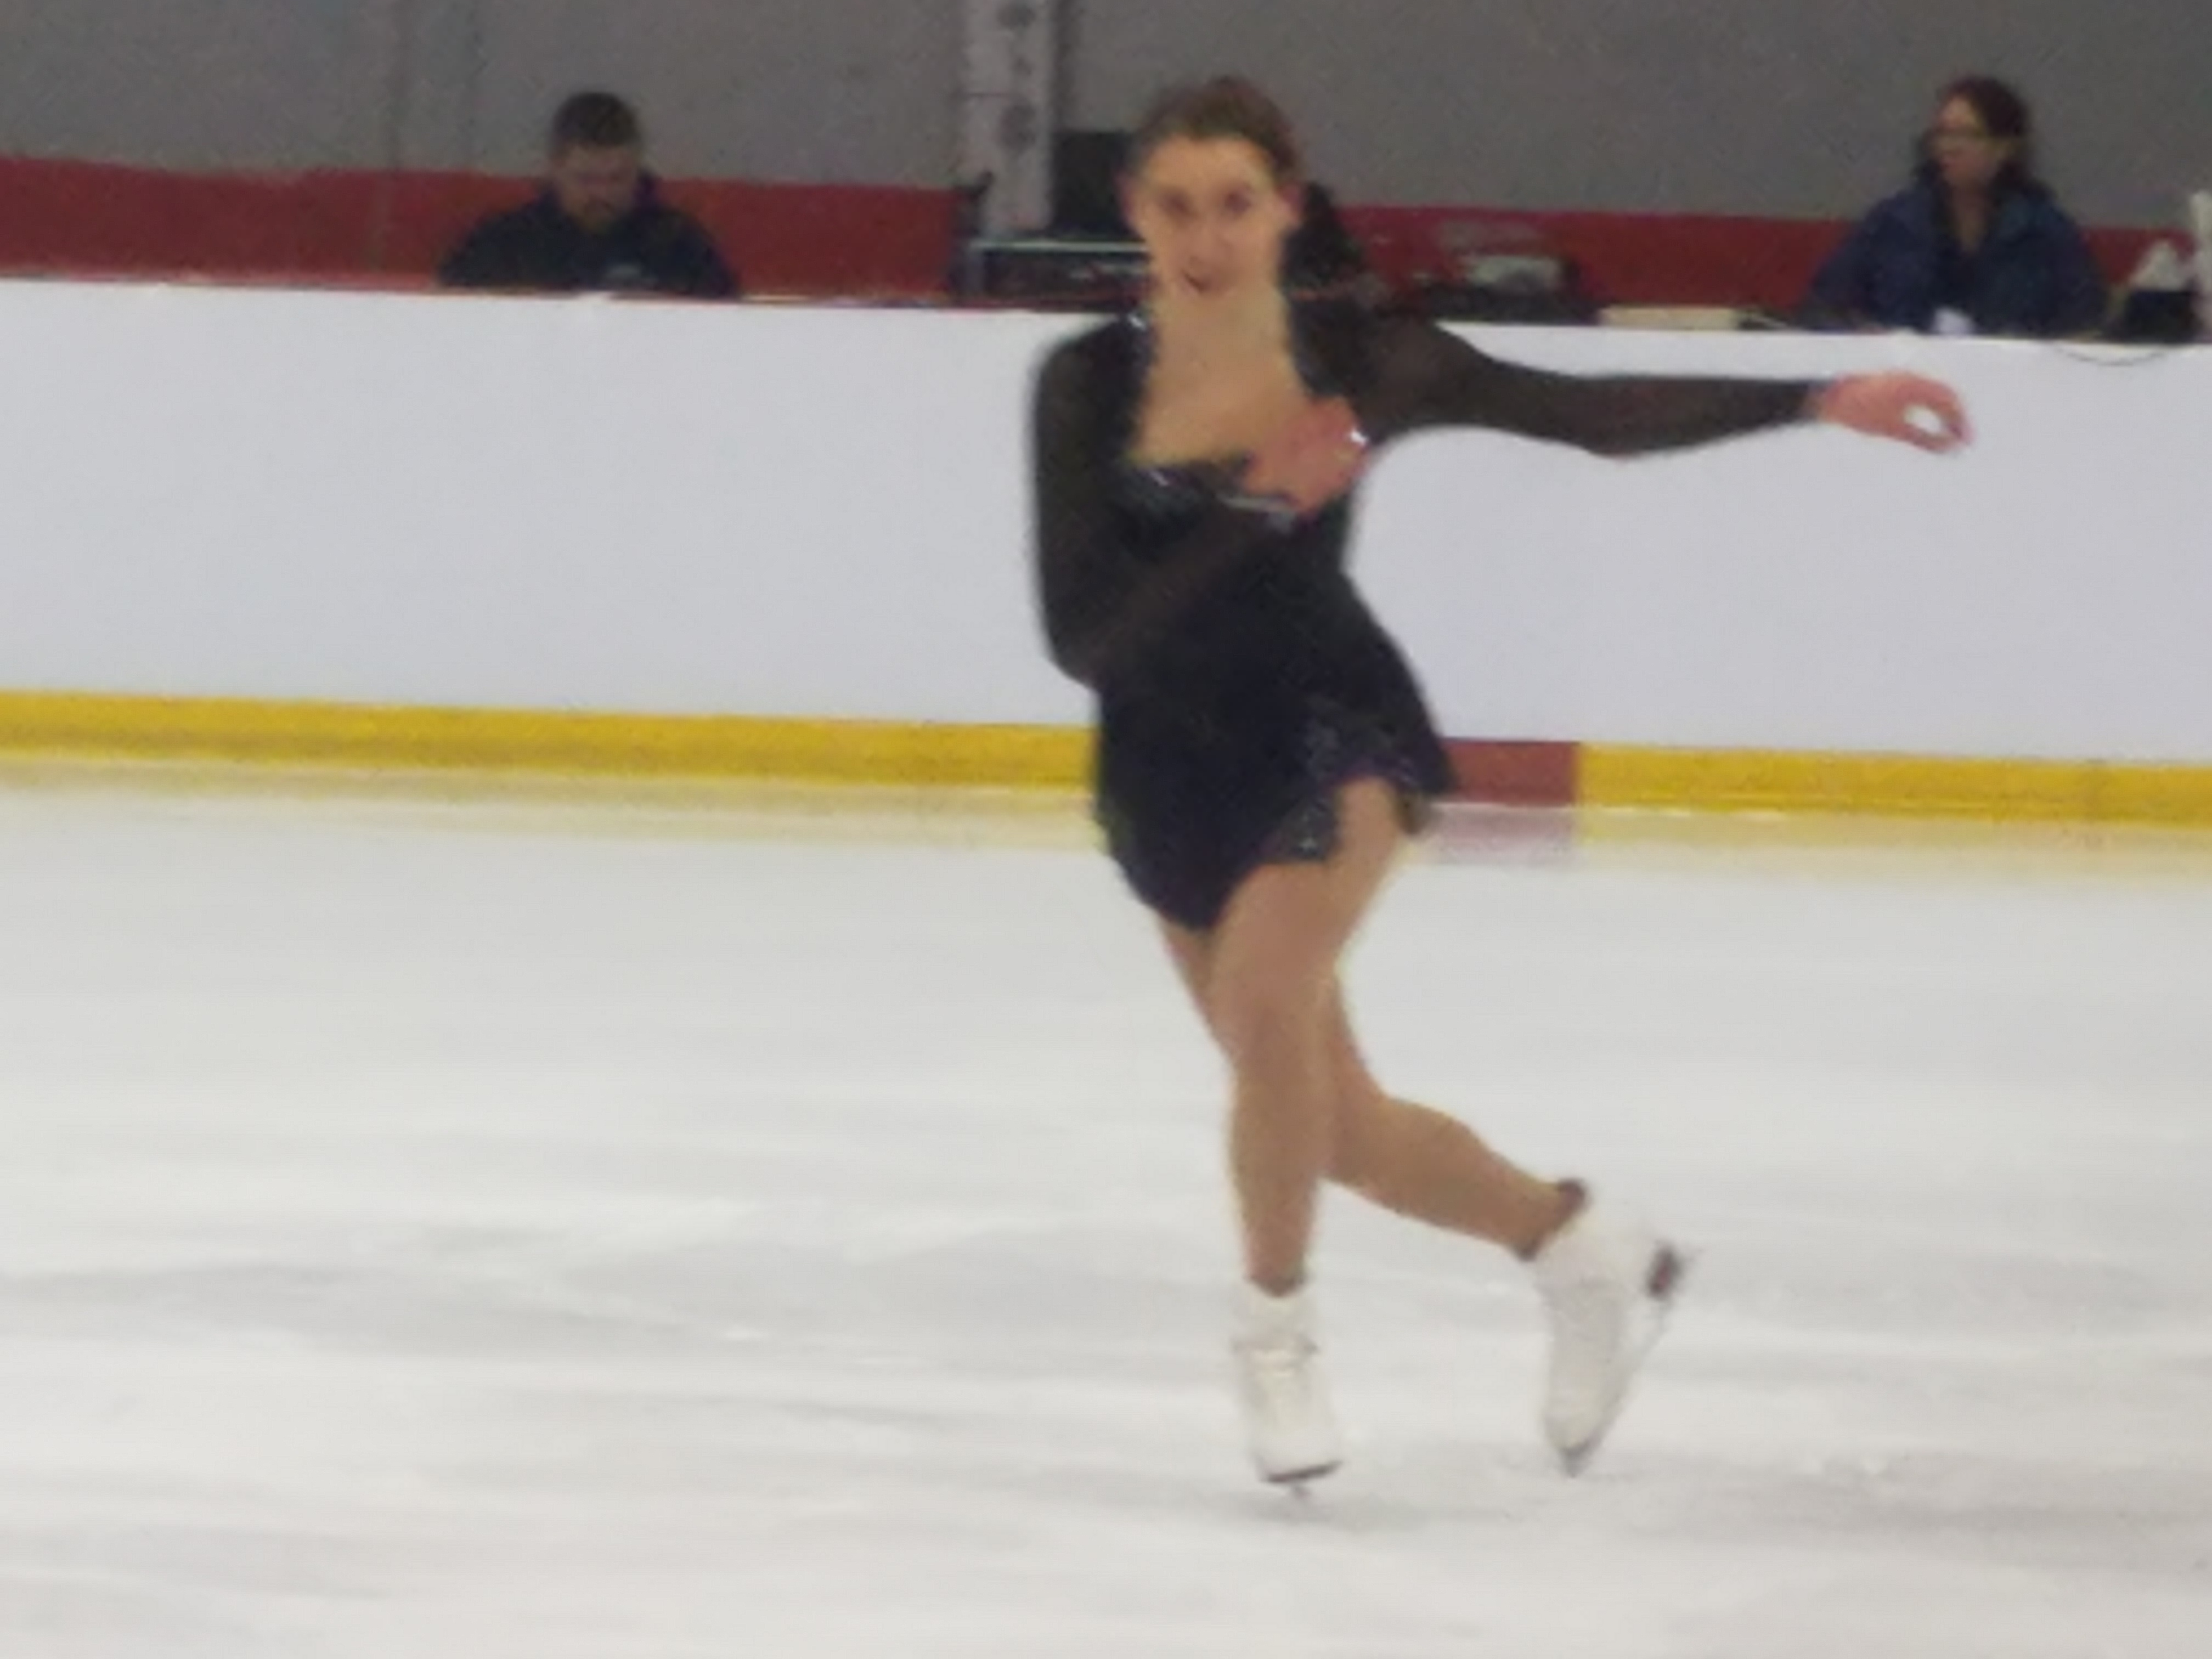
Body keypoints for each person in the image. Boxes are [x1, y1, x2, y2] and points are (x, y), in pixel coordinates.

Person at [1028, 76, 1970, 1489]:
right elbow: (1085, 639)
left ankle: (1274, 1338)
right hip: (1164, 769)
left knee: (1270, 1007)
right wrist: (1260, 504)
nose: (1206, 238)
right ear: (1134, 213)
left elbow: (1590, 411)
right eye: (1176, 207)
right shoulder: (1086, 384)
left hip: (1330, 728)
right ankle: (1582, 1249)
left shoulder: (1364, 359)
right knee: (1336, 1132)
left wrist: (1822, 396)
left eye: (1235, 204)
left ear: (1287, 208)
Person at [1802, 77, 2105, 338]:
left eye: (1967, 135)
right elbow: (1824, 306)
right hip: (1905, 377)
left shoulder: (2047, 233)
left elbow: (2085, 324)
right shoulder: (1892, 223)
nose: (1949, 147)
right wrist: (1864, 335)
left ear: (2005, 148)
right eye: (1943, 134)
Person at [438, 92, 740, 300]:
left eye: (617, 179)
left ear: (638, 168)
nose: (602, 194)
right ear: (556, 168)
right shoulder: (503, 245)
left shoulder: (679, 247)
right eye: (586, 180)